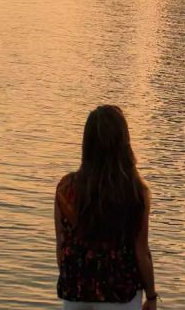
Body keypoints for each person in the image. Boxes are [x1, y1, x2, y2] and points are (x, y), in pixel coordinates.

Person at [55, 105, 158, 310]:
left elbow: (61, 245)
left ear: (87, 143)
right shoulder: (135, 192)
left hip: (76, 290)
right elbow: (141, 252)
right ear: (123, 143)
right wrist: (152, 296)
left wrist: (75, 281)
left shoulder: (66, 188)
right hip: (120, 292)